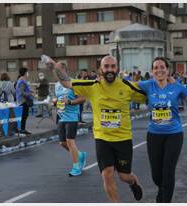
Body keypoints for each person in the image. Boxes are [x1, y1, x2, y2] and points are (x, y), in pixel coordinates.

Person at [45, 55, 145, 202]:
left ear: (117, 68)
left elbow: (150, 95)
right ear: (101, 69)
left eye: (112, 66)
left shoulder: (127, 86)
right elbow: (67, 82)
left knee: (124, 176)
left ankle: (133, 182)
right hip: (102, 138)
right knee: (107, 174)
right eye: (106, 67)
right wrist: (55, 67)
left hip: (123, 139)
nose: (110, 70)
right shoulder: (92, 86)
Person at [138, 57, 187, 203]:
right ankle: (162, 191)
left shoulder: (178, 87)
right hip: (154, 135)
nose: (159, 70)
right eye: (156, 67)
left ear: (168, 70)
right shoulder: (147, 85)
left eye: (162, 67)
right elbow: (127, 86)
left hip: (174, 135)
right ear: (152, 71)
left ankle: (165, 200)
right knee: (156, 175)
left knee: (168, 172)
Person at [53, 65, 87, 176]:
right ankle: (80, 155)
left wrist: (70, 102)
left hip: (72, 117)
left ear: (65, 71)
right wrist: (55, 101)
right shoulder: (57, 85)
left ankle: (76, 167)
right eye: (56, 72)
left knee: (70, 141)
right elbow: (58, 99)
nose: (58, 74)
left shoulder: (73, 82)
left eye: (60, 71)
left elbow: (83, 98)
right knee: (62, 143)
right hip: (61, 115)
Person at [16, 67, 34, 135]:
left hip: (23, 101)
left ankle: (22, 129)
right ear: (25, 73)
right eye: (27, 72)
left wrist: (30, 91)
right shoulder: (21, 81)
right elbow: (21, 92)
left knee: (24, 115)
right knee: (24, 115)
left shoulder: (22, 80)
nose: (28, 73)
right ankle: (22, 129)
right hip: (23, 101)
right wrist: (30, 94)